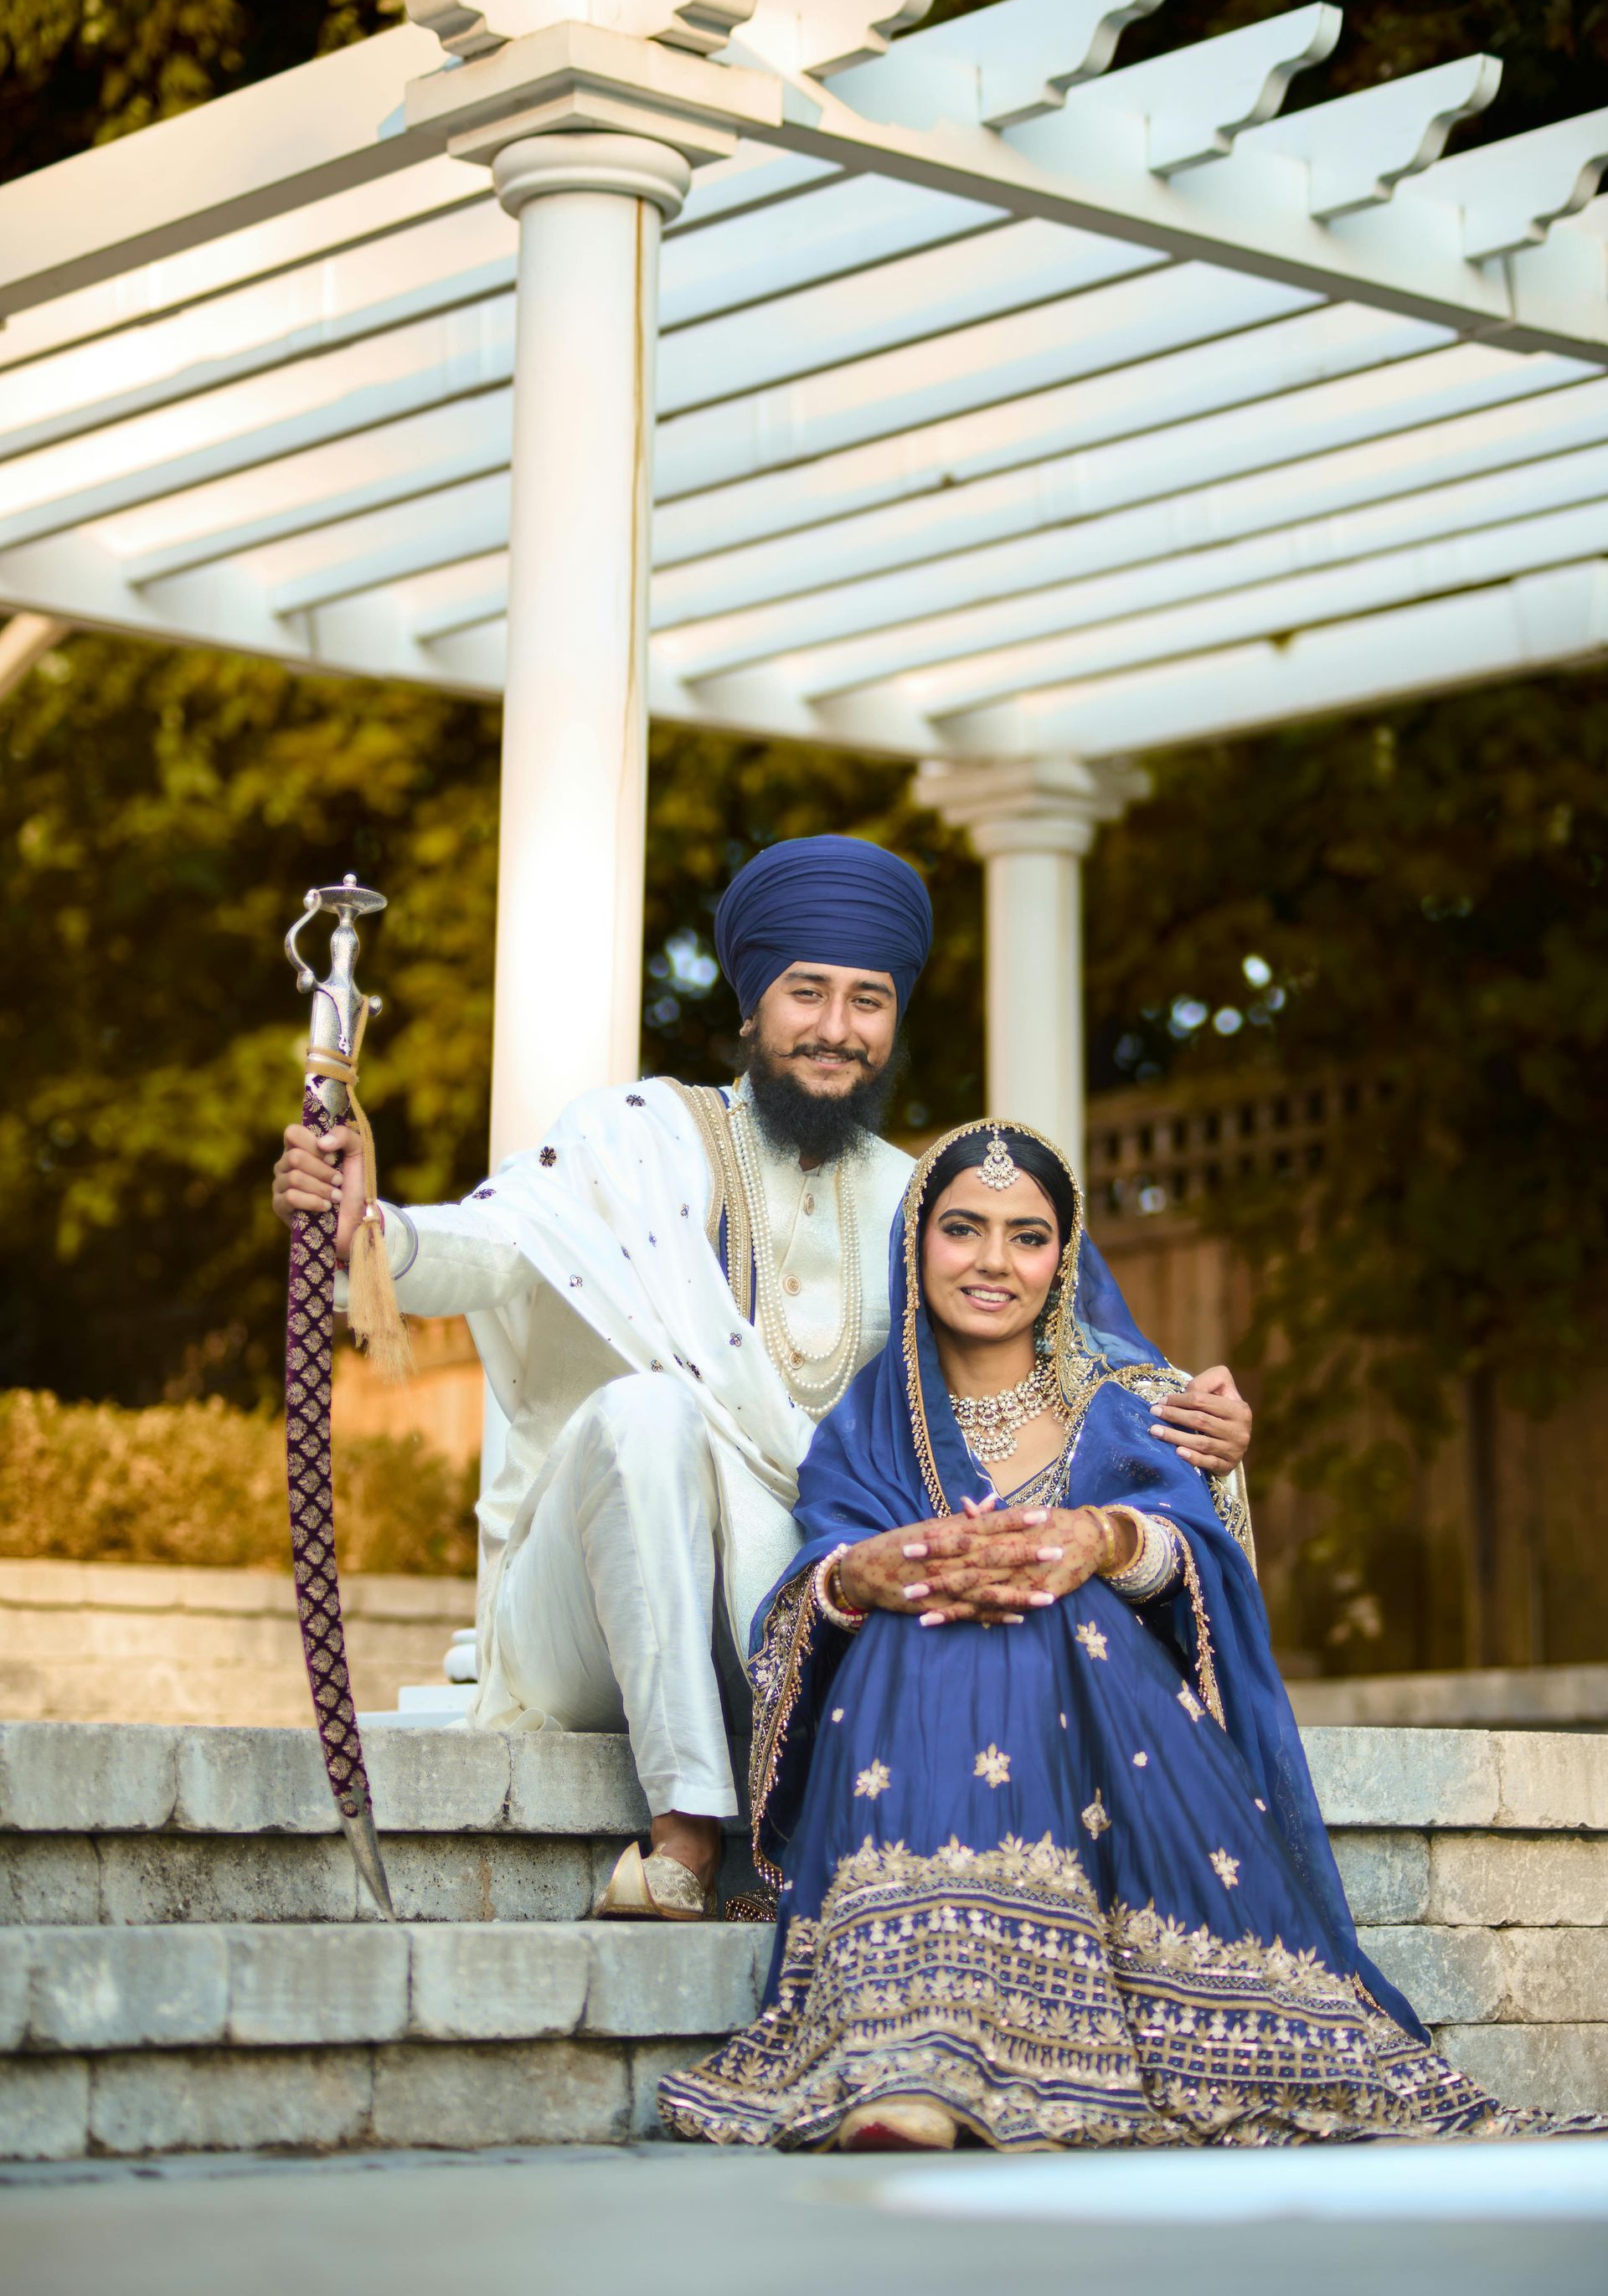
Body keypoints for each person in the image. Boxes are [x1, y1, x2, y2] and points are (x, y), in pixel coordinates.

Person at [271, 840, 1253, 1923]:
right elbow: (490, 1249)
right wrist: (364, 1227)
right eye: (807, 994)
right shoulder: (642, 1140)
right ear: (751, 1007)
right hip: (585, 1629)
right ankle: (686, 1837)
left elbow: (1074, 1358)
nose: (836, 1028)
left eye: (867, 1000)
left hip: (803, 1626)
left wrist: (1195, 1413)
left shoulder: (919, 1202)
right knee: (650, 1413)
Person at [658, 1121, 1553, 2149]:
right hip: (914, 1724)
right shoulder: (868, 1426)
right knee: (928, 1614)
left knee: (1034, 1604)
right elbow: (810, 1590)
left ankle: (943, 2067)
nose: (995, 1262)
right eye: (963, 1229)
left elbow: (1206, 1574)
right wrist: (867, 1576)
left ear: (1063, 1259)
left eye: (1028, 1237)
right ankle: (913, 2054)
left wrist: (1101, 1539)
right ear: (916, 1247)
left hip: (1106, 1738)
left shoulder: (1132, 1410)